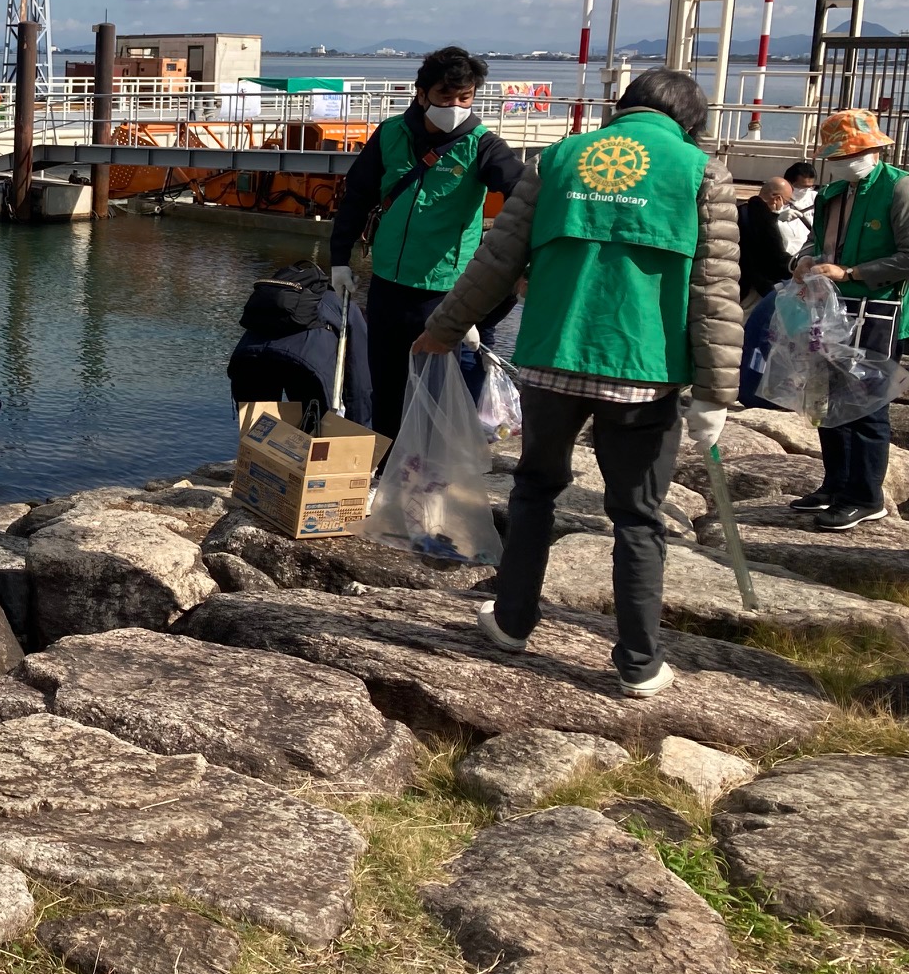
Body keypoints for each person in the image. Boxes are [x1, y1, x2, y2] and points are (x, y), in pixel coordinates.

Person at [412, 69, 743, 698]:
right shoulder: (702, 171)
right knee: (638, 516)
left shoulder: (561, 156)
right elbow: (716, 290)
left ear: (623, 109)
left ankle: (511, 622)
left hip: (551, 358)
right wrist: (716, 393)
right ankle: (639, 662)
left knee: (535, 489)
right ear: (690, 120)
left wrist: (444, 329)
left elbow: (497, 257)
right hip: (642, 370)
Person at [330, 46, 524, 437]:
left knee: (438, 392)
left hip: (445, 290)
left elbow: (523, 193)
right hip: (387, 280)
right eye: (444, 97)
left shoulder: (482, 146)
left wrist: (481, 308)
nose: (454, 106)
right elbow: (357, 196)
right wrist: (339, 259)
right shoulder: (390, 134)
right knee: (384, 380)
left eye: (464, 98)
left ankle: (435, 475)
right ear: (421, 94)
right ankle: (384, 466)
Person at [789, 109, 909, 530]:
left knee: (868, 404)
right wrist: (803, 261)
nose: (844, 160)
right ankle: (836, 484)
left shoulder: (899, 188)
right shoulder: (833, 193)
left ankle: (866, 494)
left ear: (875, 150)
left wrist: (853, 273)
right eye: (838, 155)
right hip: (831, 308)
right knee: (829, 400)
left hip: (877, 310)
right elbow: (815, 242)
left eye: (852, 153)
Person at [225, 261, 374, 427]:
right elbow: (360, 382)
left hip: (247, 359)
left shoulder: (274, 296)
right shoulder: (348, 310)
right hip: (305, 364)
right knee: (315, 427)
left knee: (258, 430)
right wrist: (358, 428)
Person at [737, 177, 798, 305]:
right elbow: (775, 256)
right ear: (776, 199)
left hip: (737, 281)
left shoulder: (740, 210)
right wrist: (797, 265)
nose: (785, 206)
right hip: (753, 289)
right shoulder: (765, 220)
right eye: (786, 202)